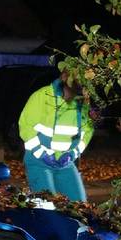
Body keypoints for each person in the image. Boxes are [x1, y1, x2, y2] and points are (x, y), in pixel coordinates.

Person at [18, 70, 93, 201]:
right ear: (66, 79)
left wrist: (73, 153)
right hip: (39, 161)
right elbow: (25, 126)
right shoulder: (43, 96)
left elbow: (87, 131)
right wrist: (40, 153)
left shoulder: (81, 103)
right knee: (47, 206)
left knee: (80, 205)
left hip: (65, 162)